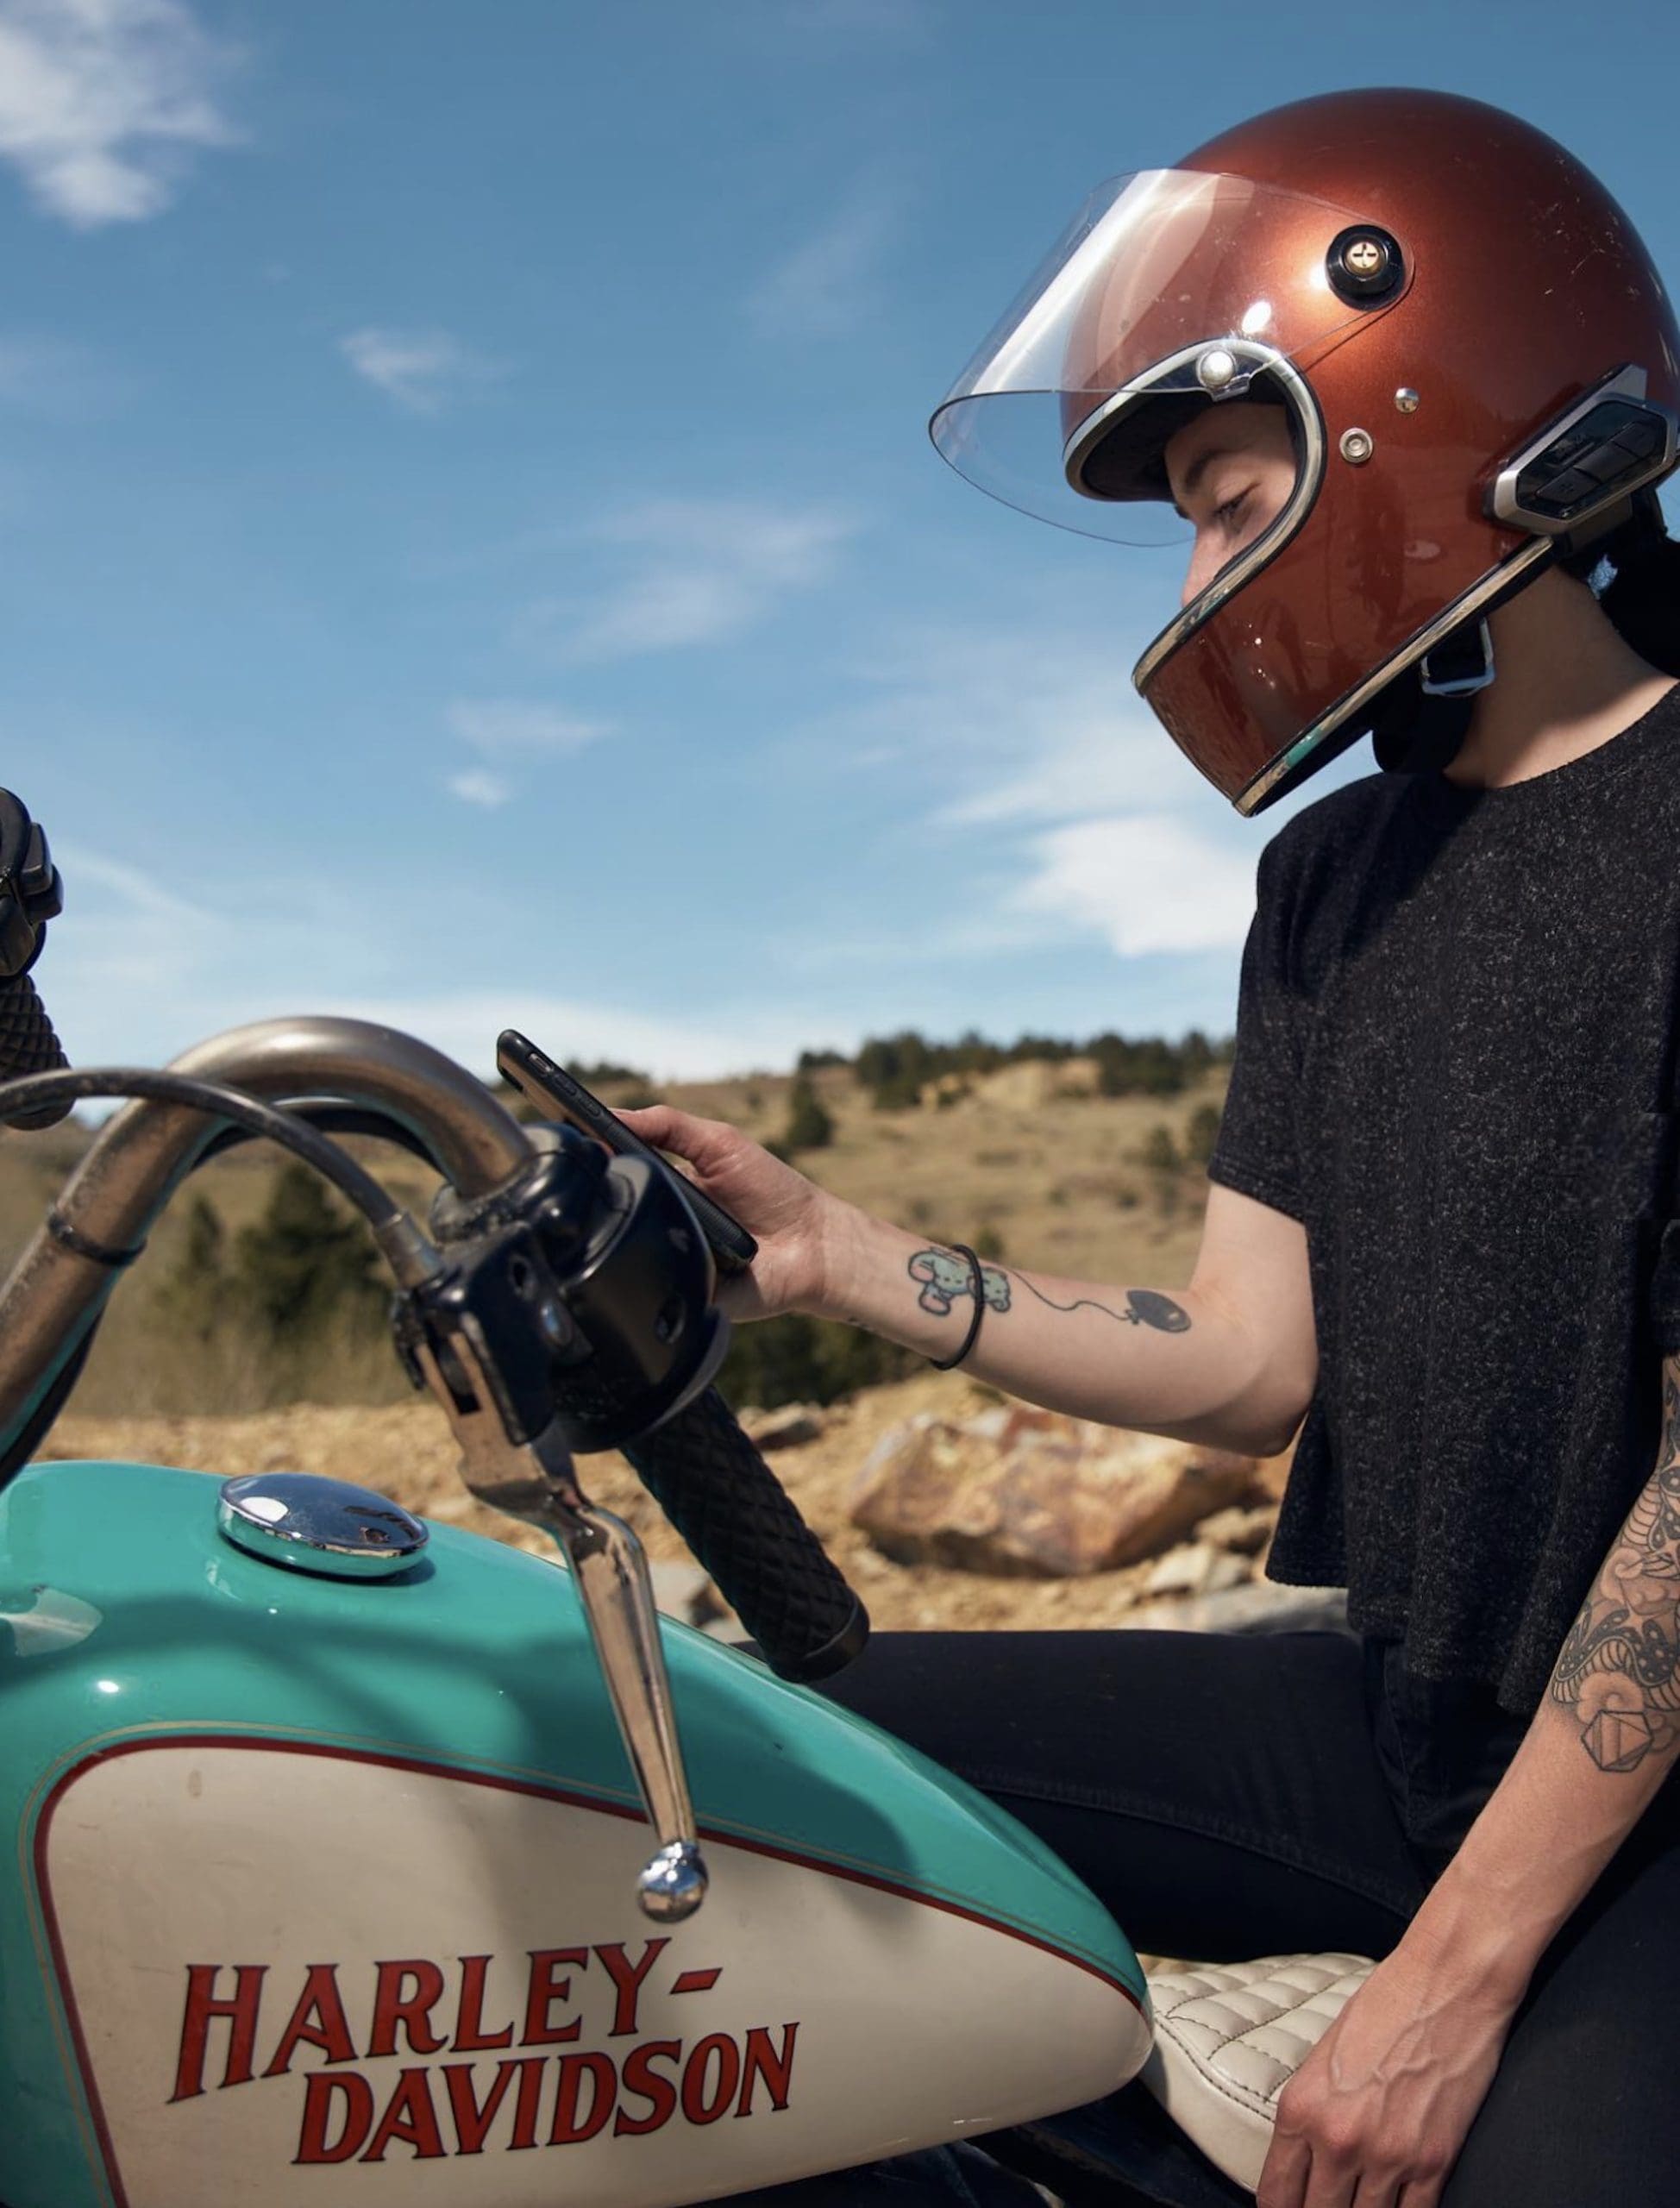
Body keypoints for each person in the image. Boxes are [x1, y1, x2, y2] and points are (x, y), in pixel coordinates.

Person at [625, 89, 1680, 2208]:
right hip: (1412, 1719)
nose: (1197, 571)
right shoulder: (1330, 879)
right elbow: (1240, 1353)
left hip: (1640, 1812)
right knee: (733, 1770)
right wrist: (841, 1252)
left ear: (1425, 399)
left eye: (1222, 495)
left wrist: (1450, 1981)